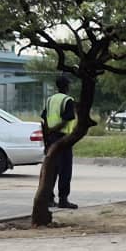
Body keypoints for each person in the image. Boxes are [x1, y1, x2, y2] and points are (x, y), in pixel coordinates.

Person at [41, 75, 79, 209]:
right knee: (65, 170)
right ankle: (63, 199)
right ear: (67, 86)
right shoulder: (68, 100)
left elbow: (44, 120)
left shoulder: (50, 100)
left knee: (52, 169)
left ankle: (49, 198)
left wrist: (47, 138)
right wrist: (54, 129)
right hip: (63, 139)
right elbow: (67, 119)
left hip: (51, 138)